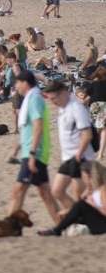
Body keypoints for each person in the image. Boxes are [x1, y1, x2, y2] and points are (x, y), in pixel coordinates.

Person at [11, 72, 62, 224]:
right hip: (32, 151)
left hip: (35, 153)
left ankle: (10, 227)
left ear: (25, 83)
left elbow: (38, 125)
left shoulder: (34, 98)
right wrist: (17, 149)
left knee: (18, 191)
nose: (16, 87)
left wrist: (32, 154)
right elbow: (29, 129)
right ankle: (62, 226)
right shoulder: (31, 98)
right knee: (45, 193)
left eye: (17, 83)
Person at [45, 80, 96, 213]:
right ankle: (80, 218)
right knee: (57, 191)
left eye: (53, 98)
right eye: (49, 99)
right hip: (67, 158)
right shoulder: (63, 107)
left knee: (79, 195)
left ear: (63, 93)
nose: (52, 102)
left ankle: (84, 220)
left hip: (81, 158)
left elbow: (87, 134)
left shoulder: (77, 108)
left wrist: (79, 154)